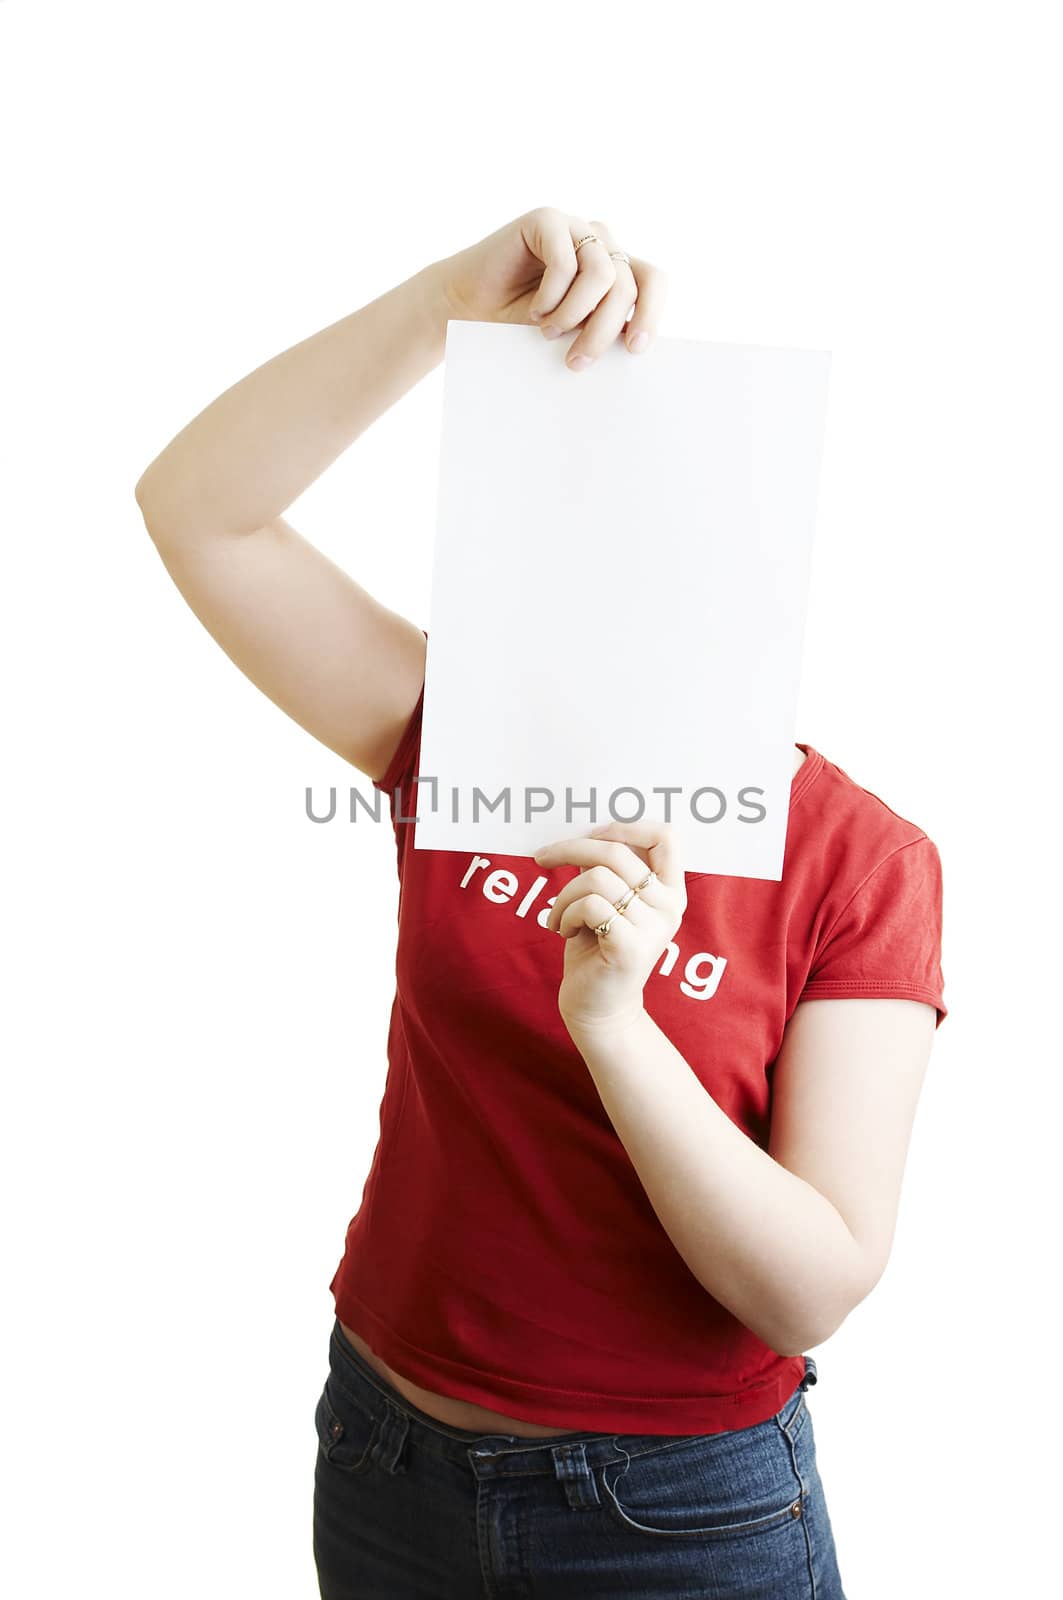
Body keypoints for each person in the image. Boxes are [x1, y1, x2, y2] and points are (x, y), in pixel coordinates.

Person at [135, 205, 947, 1599]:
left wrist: (616, 1026)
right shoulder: (465, 738)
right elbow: (201, 512)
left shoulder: (862, 859)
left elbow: (812, 1284)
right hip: (389, 1459)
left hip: (679, 1518)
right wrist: (444, 303)